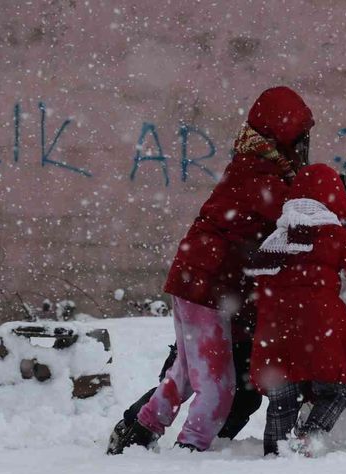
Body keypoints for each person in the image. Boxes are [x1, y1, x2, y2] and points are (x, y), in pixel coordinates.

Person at [107, 86, 315, 453]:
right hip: (206, 287)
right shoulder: (263, 177)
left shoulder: (255, 166)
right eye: (299, 140)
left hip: (196, 282)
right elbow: (302, 224)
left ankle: (137, 432)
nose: (303, 149)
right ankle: (189, 454)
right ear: (281, 137)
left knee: (184, 377)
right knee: (218, 389)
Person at [245, 164, 346, 456]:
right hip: (322, 332)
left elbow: (260, 289)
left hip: (276, 336)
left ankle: (274, 454)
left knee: (282, 400)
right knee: (336, 390)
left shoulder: (275, 240)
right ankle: (310, 438)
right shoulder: (334, 236)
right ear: (333, 199)